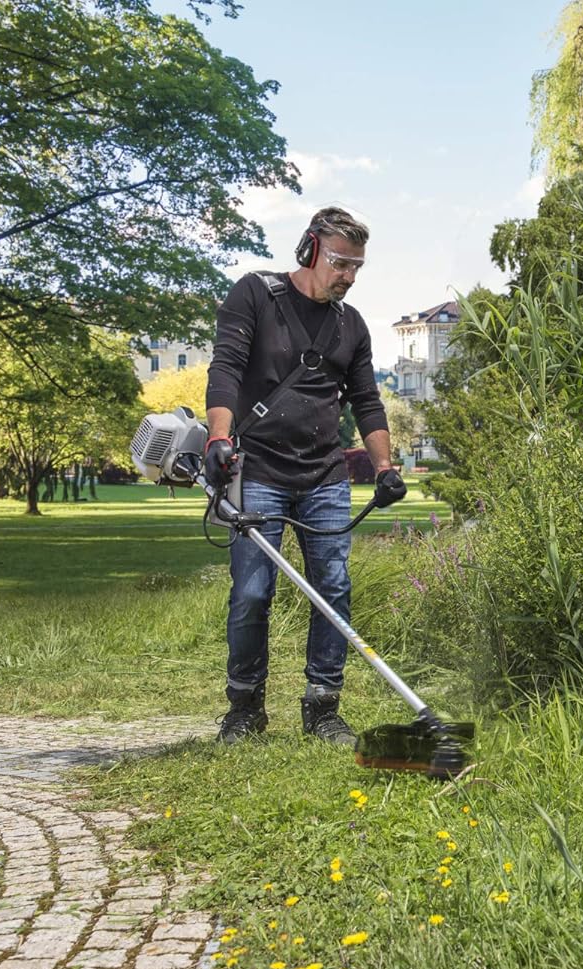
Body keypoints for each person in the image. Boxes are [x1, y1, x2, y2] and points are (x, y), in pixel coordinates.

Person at [203, 206, 402, 746]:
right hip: (258, 469)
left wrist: (384, 466)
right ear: (310, 250)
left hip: (325, 476)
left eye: (357, 266)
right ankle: (244, 709)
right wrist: (219, 438)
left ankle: (322, 709)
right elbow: (224, 369)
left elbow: (367, 401)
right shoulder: (255, 295)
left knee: (333, 588)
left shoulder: (350, 324)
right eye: (341, 262)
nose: (349, 276)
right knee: (250, 592)